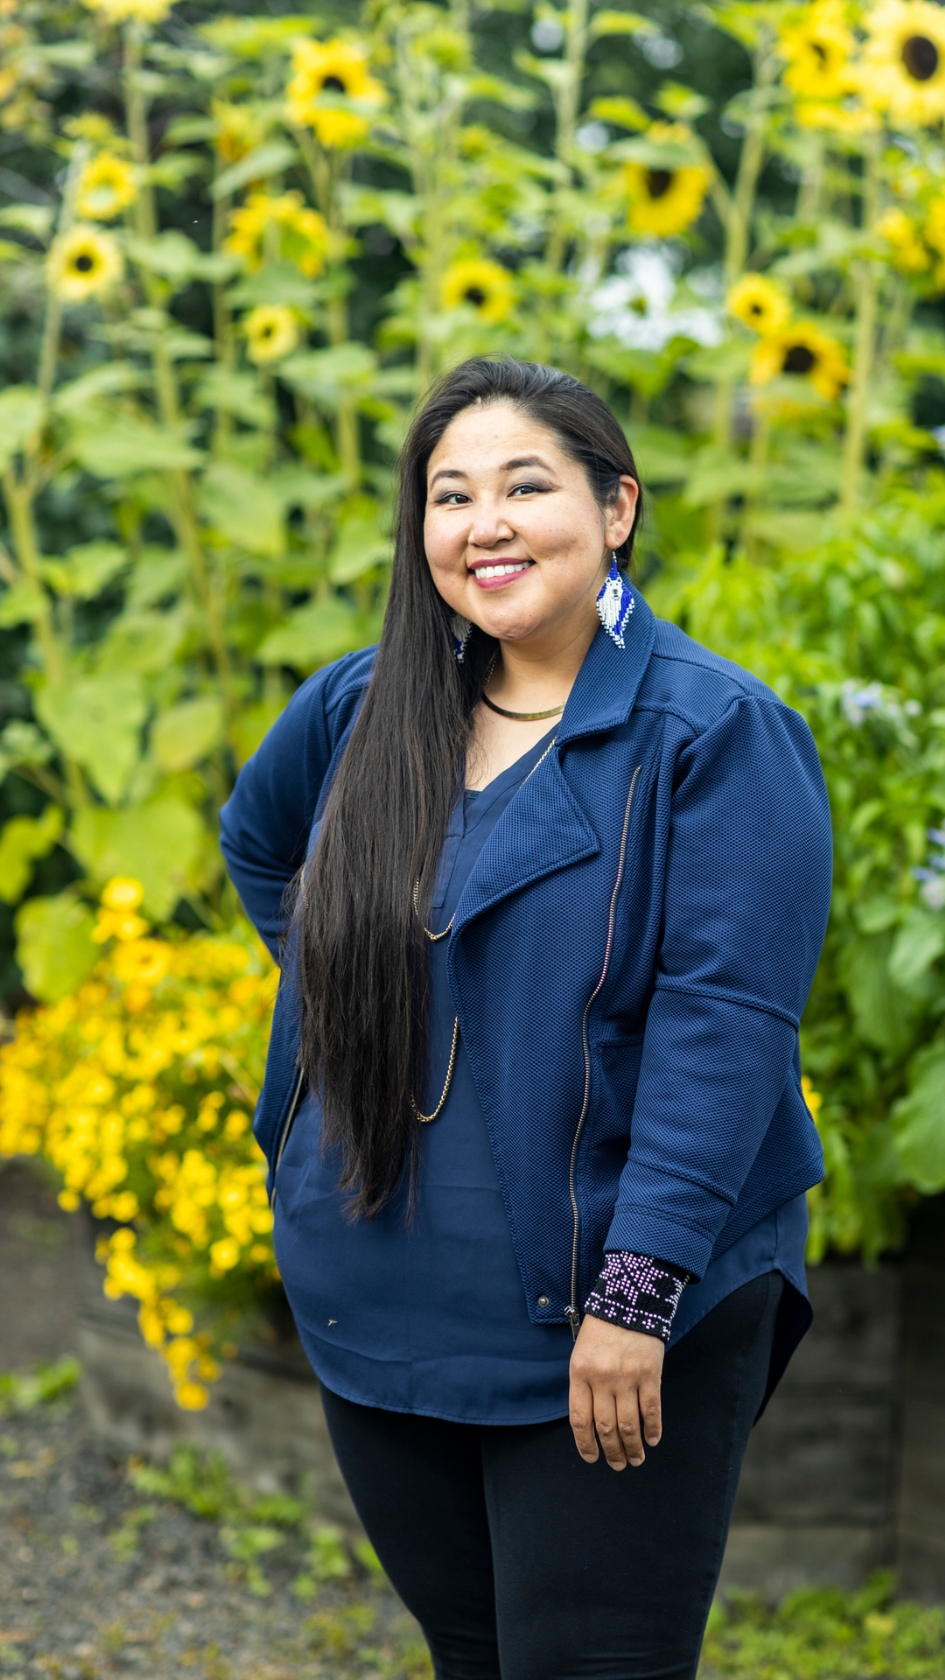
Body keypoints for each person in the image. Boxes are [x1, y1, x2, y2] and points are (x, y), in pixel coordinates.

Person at [220, 357, 833, 1680]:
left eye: (524, 485)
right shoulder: (358, 706)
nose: (482, 523)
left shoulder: (715, 735)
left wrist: (636, 1296)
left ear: (616, 508)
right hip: (383, 1287)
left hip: (604, 1316)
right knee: (475, 1653)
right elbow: (261, 847)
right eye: (449, 495)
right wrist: (371, 990)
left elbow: (722, 1033)